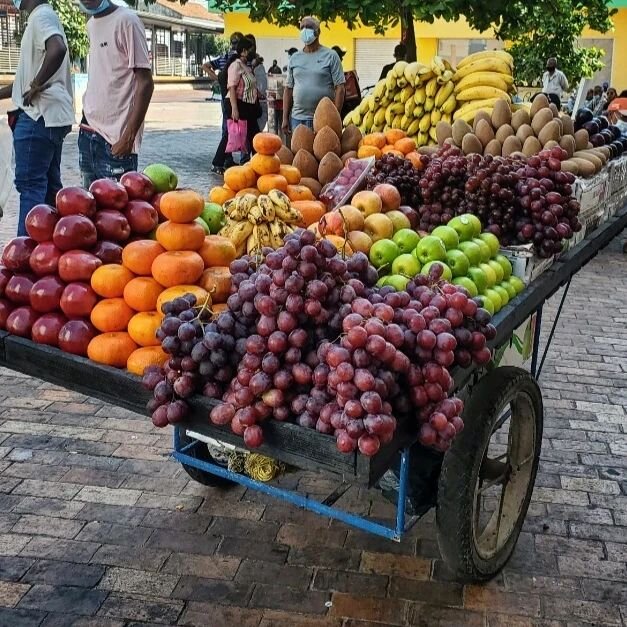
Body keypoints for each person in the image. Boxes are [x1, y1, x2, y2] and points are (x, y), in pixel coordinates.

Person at [0, 0, 73, 236]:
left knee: (31, 188)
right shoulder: (42, 17)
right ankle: (51, 257)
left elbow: (57, 49)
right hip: (49, 118)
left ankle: (25, 259)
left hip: (37, 117)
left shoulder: (41, 17)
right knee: (50, 189)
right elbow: (24, 82)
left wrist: (36, 84)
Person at [77, 0, 153, 188]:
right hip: (88, 133)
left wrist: (128, 138)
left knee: (117, 215)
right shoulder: (91, 24)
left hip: (115, 141)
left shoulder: (127, 21)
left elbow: (145, 83)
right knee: (87, 212)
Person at [281, 16, 345, 134]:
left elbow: (340, 88)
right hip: (298, 118)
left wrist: (334, 115)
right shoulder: (295, 58)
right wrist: (285, 118)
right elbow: (288, 89)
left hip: (324, 119)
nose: (305, 30)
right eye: (302, 27)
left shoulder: (331, 56)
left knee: (323, 151)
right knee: (300, 151)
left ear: (318, 32)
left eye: (309, 27)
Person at [207, 32, 242, 174]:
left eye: (236, 43)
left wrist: (218, 80)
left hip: (227, 99)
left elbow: (206, 66)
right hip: (229, 100)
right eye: (234, 42)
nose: (234, 45)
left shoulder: (227, 59)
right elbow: (205, 66)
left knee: (228, 130)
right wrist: (218, 79)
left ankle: (227, 158)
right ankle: (218, 161)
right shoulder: (231, 59)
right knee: (228, 131)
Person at [332, 45, 361, 119]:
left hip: (344, 107)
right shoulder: (332, 72)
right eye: (340, 57)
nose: (341, 59)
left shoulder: (341, 72)